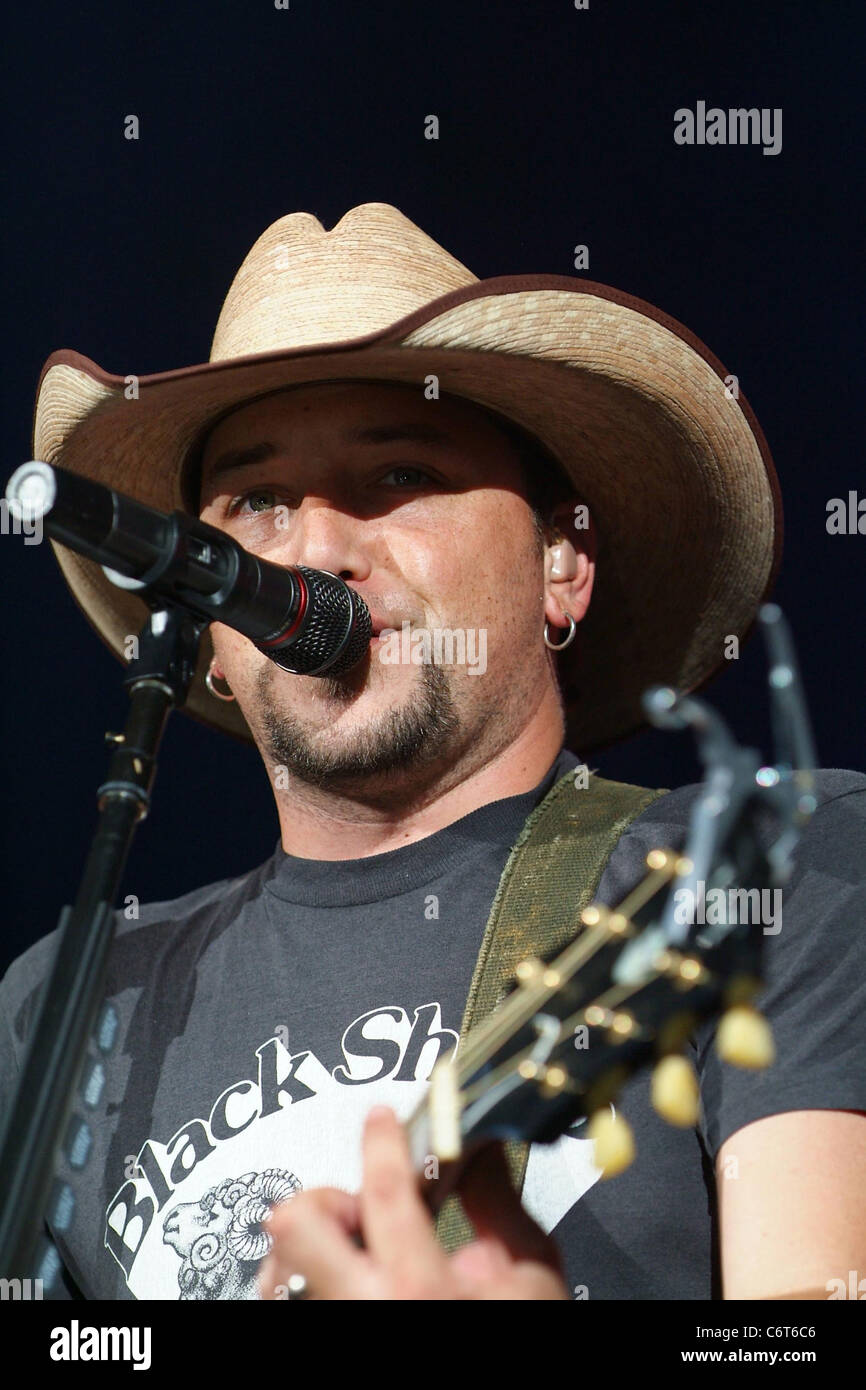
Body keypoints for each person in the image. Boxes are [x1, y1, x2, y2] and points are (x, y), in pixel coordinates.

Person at [2, 204, 864, 1301]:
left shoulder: (766, 871)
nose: (315, 546)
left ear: (561, 563)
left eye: (399, 473)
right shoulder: (64, 1005)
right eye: (256, 504)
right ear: (211, 640)